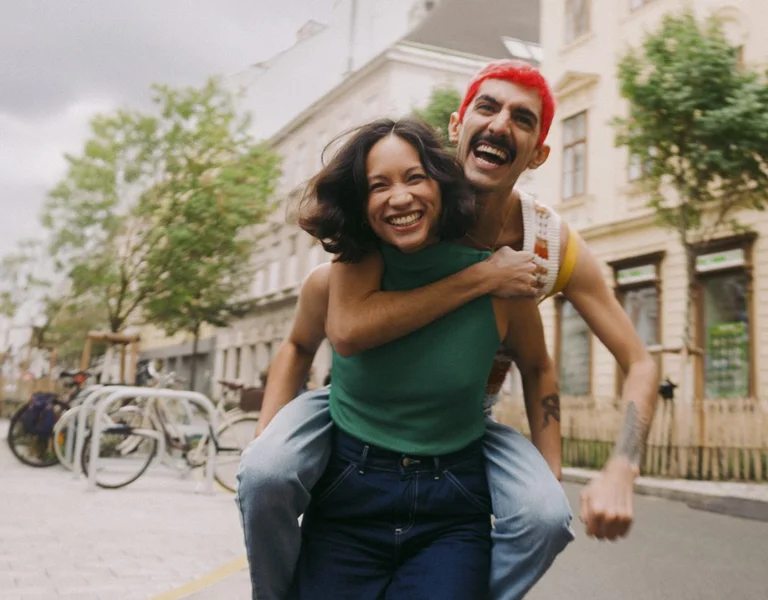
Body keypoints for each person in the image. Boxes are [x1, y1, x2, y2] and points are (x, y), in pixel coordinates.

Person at [238, 60, 657, 600]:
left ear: (538, 153)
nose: (501, 124)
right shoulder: (406, 209)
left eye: (522, 119)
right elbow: (341, 328)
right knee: (266, 472)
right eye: (488, 107)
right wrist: (482, 276)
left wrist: (621, 464)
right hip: (360, 406)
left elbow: (625, 362)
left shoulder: (547, 247)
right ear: (458, 127)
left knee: (545, 517)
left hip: (463, 421)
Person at [288, 116, 556, 598]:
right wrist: (268, 434)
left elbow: (538, 367)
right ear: (360, 202)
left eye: (415, 178)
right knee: (264, 479)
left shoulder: (505, 281)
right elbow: (333, 337)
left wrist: (549, 472)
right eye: (378, 186)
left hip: (451, 501)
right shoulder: (350, 270)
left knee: (548, 519)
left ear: (442, 184)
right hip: (350, 490)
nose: (401, 197)